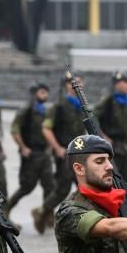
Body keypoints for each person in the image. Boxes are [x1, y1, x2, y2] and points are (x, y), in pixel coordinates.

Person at [33, 75, 87, 234]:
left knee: (82, 186)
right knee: (62, 189)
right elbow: (46, 128)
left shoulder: (82, 105)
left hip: (80, 153)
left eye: (79, 82)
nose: (77, 85)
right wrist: (57, 148)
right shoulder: (60, 105)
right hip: (64, 154)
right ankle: (42, 210)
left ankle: (78, 217)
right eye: (73, 83)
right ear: (66, 86)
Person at [4, 82, 54, 218]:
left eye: (46, 92)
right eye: (42, 92)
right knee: (27, 186)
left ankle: (46, 215)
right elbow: (15, 129)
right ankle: (6, 209)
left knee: (49, 185)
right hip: (31, 154)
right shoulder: (26, 110)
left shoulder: (44, 110)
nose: (46, 95)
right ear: (35, 93)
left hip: (44, 153)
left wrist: (50, 146)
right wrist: (23, 147)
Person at [95, 71, 127, 187]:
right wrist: (103, 137)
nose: (126, 85)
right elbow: (92, 119)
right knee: (112, 177)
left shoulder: (126, 103)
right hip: (112, 146)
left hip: (124, 146)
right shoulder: (107, 101)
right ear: (116, 85)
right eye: (123, 82)